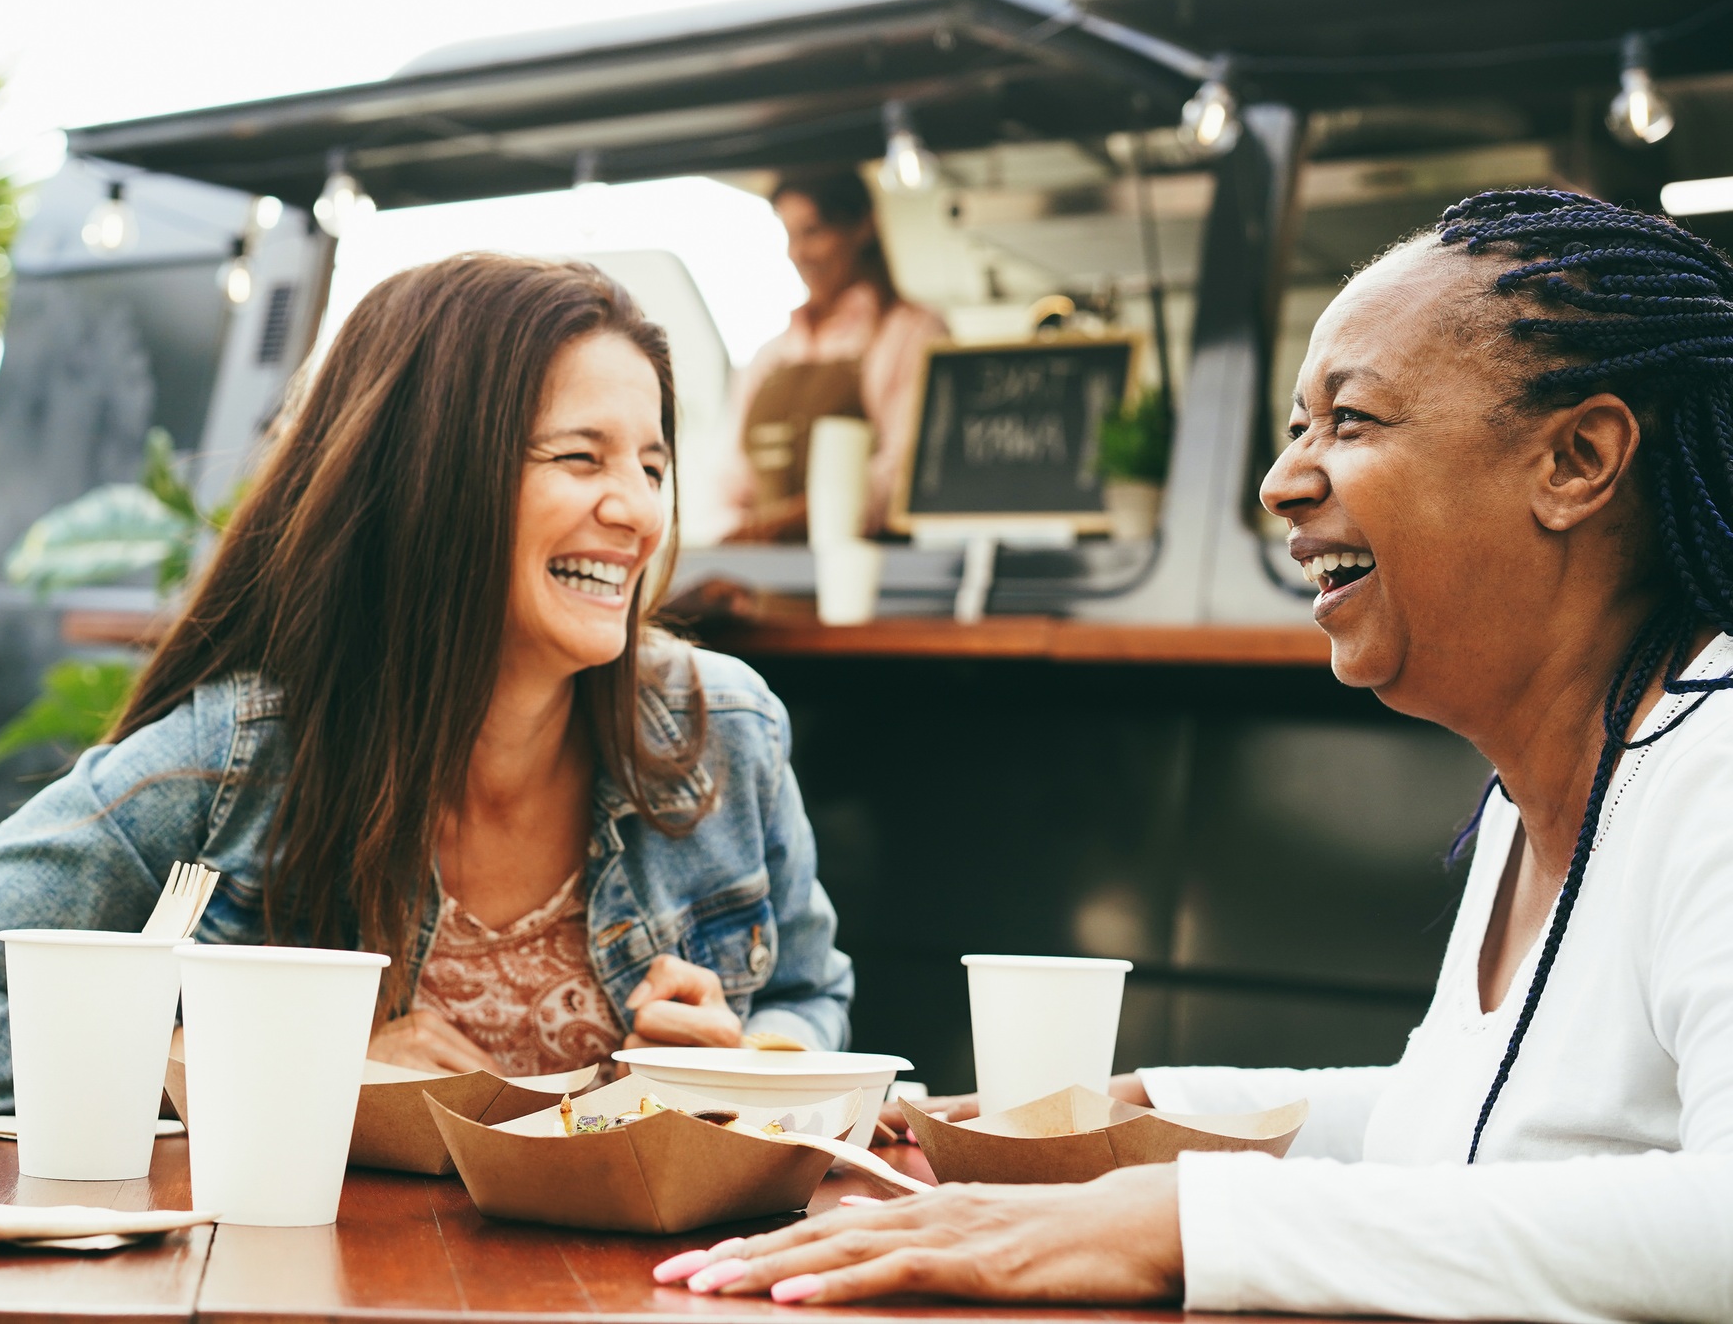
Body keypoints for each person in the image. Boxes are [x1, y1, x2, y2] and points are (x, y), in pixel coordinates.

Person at [657, 189, 1733, 1321]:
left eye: (1348, 421)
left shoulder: (1715, 767)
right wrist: (1125, 1116)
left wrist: (1168, 1220)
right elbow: (1455, 1123)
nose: (1281, 481)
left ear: (1577, 457)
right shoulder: (1541, 792)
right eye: (1292, 429)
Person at [0, 254, 853, 1110]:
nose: (635, 510)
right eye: (580, 458)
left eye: (653, 466)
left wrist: (755, 1062)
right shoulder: (235, 762)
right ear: (431, 474)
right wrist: (280, 1071)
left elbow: (807, 995)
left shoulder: (724, 730)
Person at [723, 166, 946, 540]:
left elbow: (905, 473)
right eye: (789, 235)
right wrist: (731, 541)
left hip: (868, 582)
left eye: (813, 232)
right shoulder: (770, 354)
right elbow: (730, 476)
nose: (798, 253)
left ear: (862, 227)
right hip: (763, 587)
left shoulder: (912, 333)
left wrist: (786, 523)